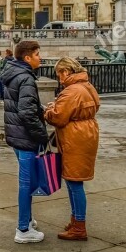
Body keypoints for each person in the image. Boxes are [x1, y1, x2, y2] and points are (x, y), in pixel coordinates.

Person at [44, 58, 100, 242]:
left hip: (74, 138)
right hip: (87, 132)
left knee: (74, 182)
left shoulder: (71, 91)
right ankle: (76, 220)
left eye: (59, 74)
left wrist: (48, 111)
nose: (59, 79)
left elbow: (58, 118)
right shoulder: (87, 85)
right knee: (74, 181)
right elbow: (95, 106)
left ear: (66, 71)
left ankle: (79, 226)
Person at [0, 40, 49, 243]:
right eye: (37, 54)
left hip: (16, 135)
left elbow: (24, 104)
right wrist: (42, 136)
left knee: (26, 182)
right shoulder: (26, 78)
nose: (40, 58)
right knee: (26, 183)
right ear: (27, 57)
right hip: (26, 137)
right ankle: (22, 229)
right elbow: (26, 112)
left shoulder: (13, 73)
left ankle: (27, 220)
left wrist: (41, 109)